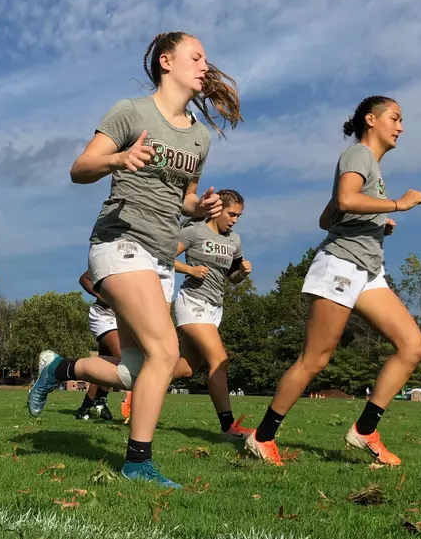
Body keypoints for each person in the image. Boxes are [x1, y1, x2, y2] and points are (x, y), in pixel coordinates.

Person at [27, 31, 241, 487]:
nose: (205, 65)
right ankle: (138, 462)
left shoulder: (200, 137)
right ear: (167, 61)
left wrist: (199, 210)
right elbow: (80, 168)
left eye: (206, 59)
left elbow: (182, 201)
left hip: (162, 256)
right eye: (196, 56)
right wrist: (118, 158)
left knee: (136, 370)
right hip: (119, 241)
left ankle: (59, 369)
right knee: (165, 352)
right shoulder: (131, 112)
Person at [246, 96, 421, 467]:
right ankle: (261, 437)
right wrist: (396, 205)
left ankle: (364, 431)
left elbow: (328, 218)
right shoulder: (358, 155)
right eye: (395, 118)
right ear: (371, 120)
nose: (401, 127)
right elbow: (345, 199)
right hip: (341, 265)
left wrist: (376, 223)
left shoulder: (370, 166)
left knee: (412, 346)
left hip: (367, 270)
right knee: (315, 360)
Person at [172, 188, 253, 436]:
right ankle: (228, 426)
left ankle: (137, 386)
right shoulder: (194, 232)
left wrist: (242, 273)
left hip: (214, 308)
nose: (235, 220)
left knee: (185, 369)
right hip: (192, 303)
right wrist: (189, 270)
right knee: (220, 361)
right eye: (231, 214)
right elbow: (162, 256)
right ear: (217, 209)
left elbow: (232, 277)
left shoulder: (234, 241)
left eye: (239, 215)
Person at [75, 270, 121, 421]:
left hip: (121, 318)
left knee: (105, 364)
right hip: (103, 315)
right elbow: (84, 279)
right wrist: (101, 296)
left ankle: (85, 408)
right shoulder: (112, 259)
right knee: (121, 357)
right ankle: (57, 369)